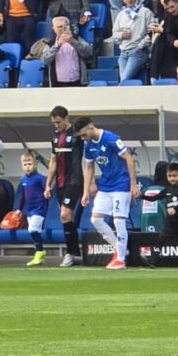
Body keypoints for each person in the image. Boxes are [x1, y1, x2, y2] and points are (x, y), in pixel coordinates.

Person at [78, 114, 138, 270]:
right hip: (105, 186)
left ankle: (120, 260)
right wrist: (86, 191)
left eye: (84, 134)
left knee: (118, 221)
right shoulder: (88, 145)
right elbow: (89, 167)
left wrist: (133, 185)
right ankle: (120, 250)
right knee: (96, 219)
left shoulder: (111, 138)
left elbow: (129, 158)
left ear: (91, 127)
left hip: (121, 184)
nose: (84, 138)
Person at [46, 105, 85, 267]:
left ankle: (70, 253)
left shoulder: (78, 135)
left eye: (59, 122)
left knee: (64, 214)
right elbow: (54, 160)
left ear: (67, 118)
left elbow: (88, 158)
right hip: (60, 183)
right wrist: (48, 184)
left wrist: (92, 182)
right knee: (67, 219)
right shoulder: (55, 138)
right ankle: (75, 253)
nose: (56, 125)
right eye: (54, 123)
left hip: (75, 181)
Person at [15, 149, 49, 266]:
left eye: (30, 164)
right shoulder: (23, 179)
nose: (27, 167)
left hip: (39, 208)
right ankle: (39, 254)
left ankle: (40, 251)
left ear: (35, 164)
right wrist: (19, 209)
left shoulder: (40, 178)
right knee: (34, 231)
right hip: (29, 210)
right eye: (25, 165)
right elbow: (23, 196)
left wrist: (46, 196)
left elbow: (47, 191)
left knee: (33, 230)